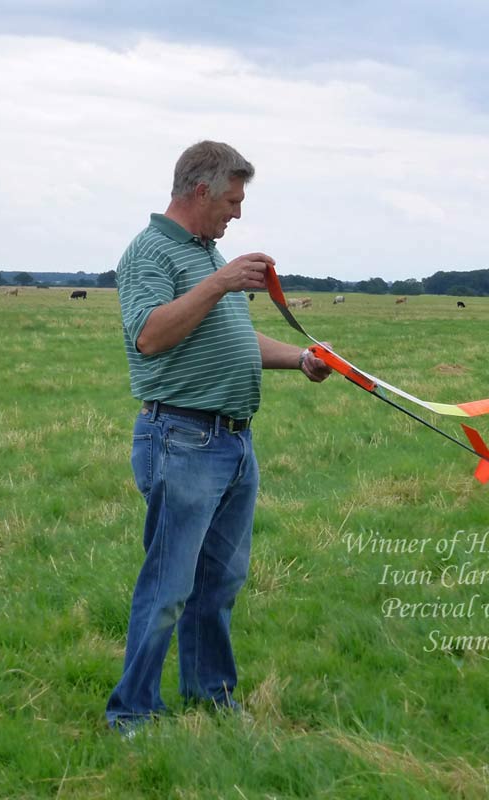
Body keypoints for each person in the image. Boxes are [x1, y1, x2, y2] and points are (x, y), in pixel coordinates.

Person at [106, 141, 331, 733]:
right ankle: (132, 713)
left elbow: (232, 338)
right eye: (231, 201)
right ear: (200, 191)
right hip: (181, 438)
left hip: (232, 443)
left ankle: (210, 699)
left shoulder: (207, 254)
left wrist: (301, 357)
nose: (237, 213)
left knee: (219, 583)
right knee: (169, 585)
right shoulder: (149, 251)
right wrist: (221, 283)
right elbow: (150, 336)